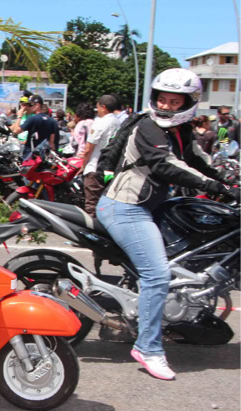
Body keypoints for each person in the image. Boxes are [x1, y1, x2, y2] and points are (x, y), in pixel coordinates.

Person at [96, 68, 238, 381]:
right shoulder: (148, 126)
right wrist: (217, 186)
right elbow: (166, 164)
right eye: (162, 99)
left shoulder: (182, 130)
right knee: (157, 275)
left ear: (188, 103)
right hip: (126, 208)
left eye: (174, 102)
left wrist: (228, 179)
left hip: (149, 206)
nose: (166, 106)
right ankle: (148, 348)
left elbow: (195, 160)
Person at [82, 94, 120, 216]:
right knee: (105, 203)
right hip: (109, 170)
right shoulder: (118, 122)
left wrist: (83, 166)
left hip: (95, 167)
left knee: (92, 205)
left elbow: (88, 149)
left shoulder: (100, 123)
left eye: (97, 107)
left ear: (103, 107)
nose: (97, 110)